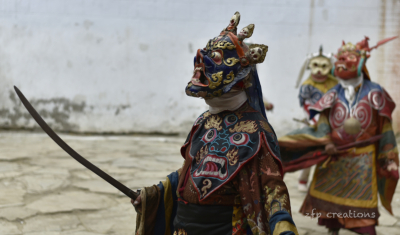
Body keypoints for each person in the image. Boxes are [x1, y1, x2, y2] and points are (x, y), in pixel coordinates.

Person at [131, 12, 299, 235]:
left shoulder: (258, 131)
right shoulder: (204, 120)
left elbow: (272, 188)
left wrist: (282, 224)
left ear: (243, 79)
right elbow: (190, 170)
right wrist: (156, 193)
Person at [281, 36, 398, 235]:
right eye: (341, 57)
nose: (343, 61)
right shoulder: (333, 93)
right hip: (335, 156)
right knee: (330, 208)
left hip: (363, 160)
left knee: (363, 214)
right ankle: (332, 231)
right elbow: (324, 120)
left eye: (349, 57)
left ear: (361, 61)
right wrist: (326, 142)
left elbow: (385, 127)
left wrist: (388, 157)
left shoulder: (375, 92)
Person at [294, 46, 337, 192]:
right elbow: (305, 104)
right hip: (313, 123)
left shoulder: (335, 82)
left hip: (332, 123)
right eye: (316, 65)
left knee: (331, 153)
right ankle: (303, 180)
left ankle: (325, 182)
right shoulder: (307, 85)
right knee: (312, 153)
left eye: (324, 66)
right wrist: (315, 120)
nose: (319, 70)